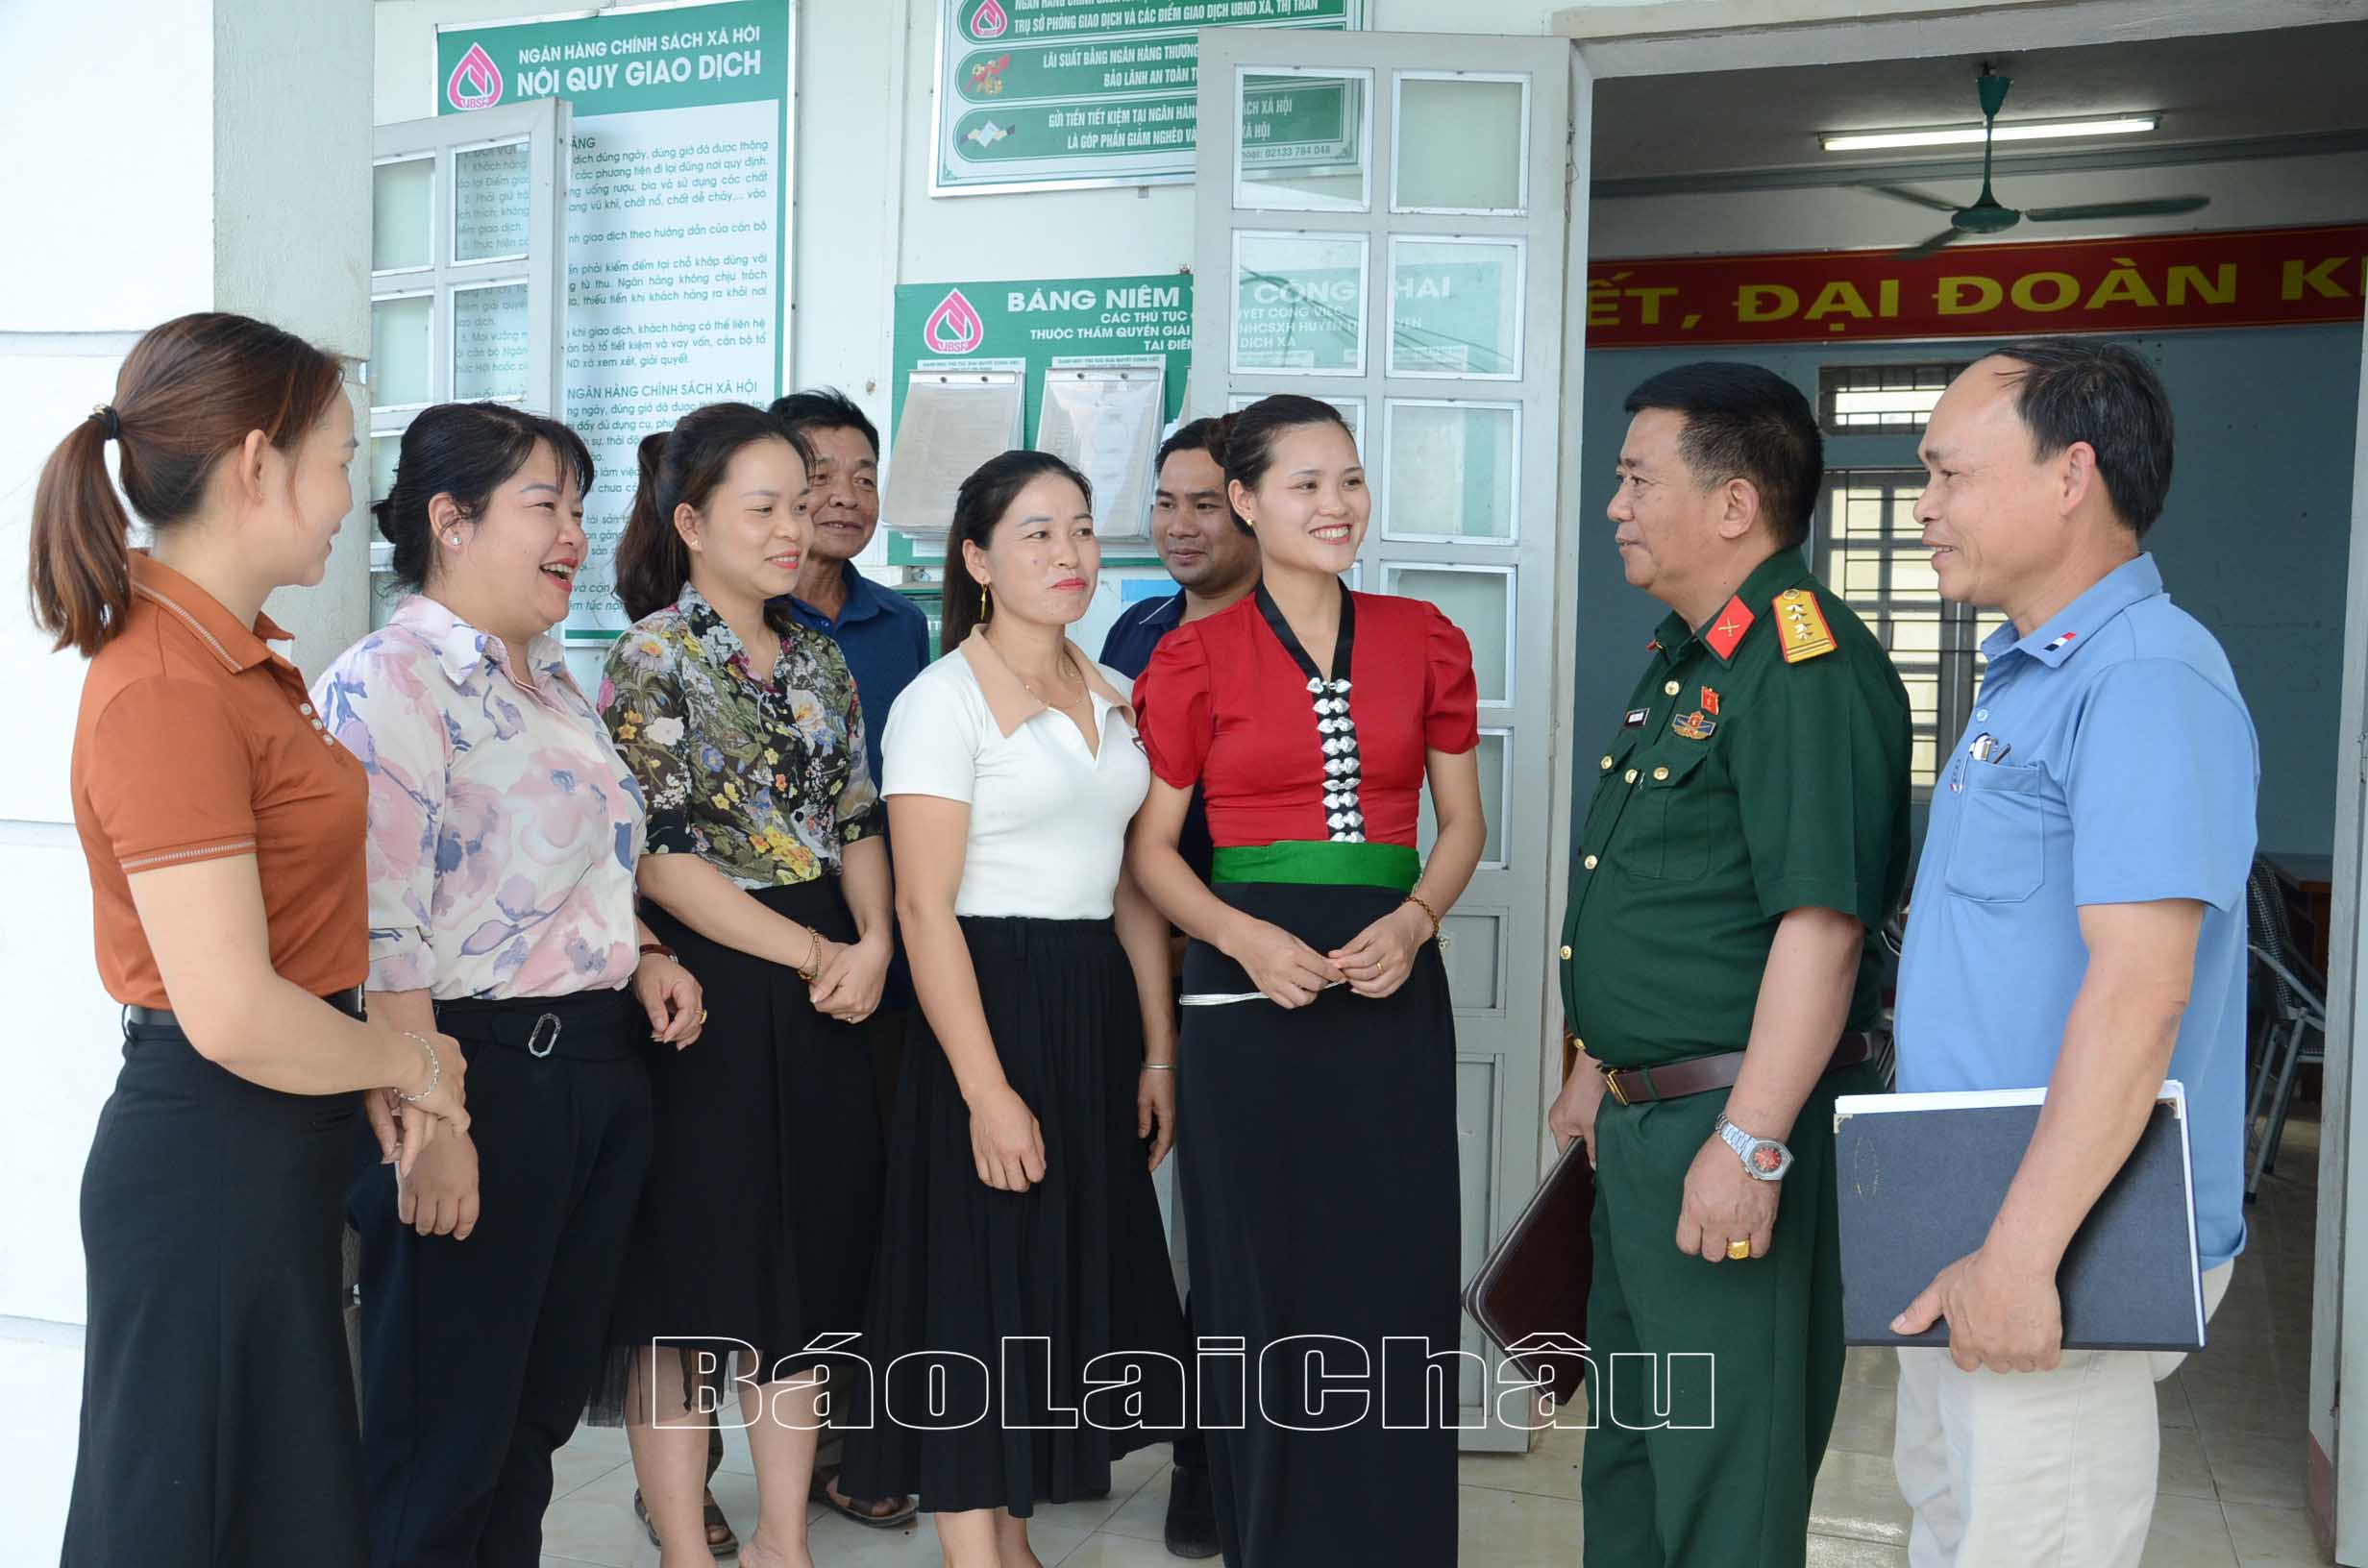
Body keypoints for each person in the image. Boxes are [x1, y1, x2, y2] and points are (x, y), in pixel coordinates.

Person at [37, 312, 469, 1567]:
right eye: (341, 459)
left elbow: (290, 960)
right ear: (258, 462)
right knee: (185, 1526)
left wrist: (363, 1065)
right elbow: (227, 1010)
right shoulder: (169, 683)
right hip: (210, 1161)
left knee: (269, 1519)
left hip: (264, 1148)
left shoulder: (231, 663)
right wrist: (416, 1067)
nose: (353, 499)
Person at [312, 403, 705, 1566]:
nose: (574, 535)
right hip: (475, 1077)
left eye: (578, 509)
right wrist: (436, 1119)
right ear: (451, 519)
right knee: (444, 1436)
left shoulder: (548, 681)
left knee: (529, 1426)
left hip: (592, 1072)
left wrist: (645, 955)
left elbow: (567, 869)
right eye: (546, 505)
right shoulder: (389, 683)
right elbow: (386, 925)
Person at [1886, 339, 2256, 1567]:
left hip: (2061, 1238)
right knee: (1954, 1526)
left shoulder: (2147, 677)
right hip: (1970, 1199)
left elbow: (2142, 990)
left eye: (1948, 474)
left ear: (2069, 476)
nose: (1925, 505)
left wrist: (2020, 1253)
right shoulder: (2032, 676)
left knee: (2025, 1542)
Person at [1543, 361, 1911, 1568]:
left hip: (1730, 1132)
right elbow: (1676, 900)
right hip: (1650, 1127)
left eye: (1636, 479)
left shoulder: (1803, 669)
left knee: (1726, 1483)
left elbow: (1822, 926)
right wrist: (1598, 1064)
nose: (1616, 505)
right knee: (1642, 1451)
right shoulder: (1692, 656)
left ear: (1736, 504)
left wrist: (1750, 1144)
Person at [1127, 395, 1486, 1567]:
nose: (1335, 507)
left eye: (1349, 481)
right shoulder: (1187, 657)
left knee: (1394, 1269)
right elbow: (1149, 857)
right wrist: (1240, 937)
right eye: (1304, 485)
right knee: (1259, 1280)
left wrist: (1419, 916)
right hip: (1250, 989)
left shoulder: (1426, 635)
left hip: (1389, 984)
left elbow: (1461, 824)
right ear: (1245, 503)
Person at [838, 450, 1187, 1568]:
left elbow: (1134, 884)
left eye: (1081, 530)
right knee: (975, 1282)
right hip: (980, 1004)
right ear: (978, 559)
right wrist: (986, 1091)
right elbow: (924, 910)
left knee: (1050, 1278)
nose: (1069, 554)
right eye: (1036, 533)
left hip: (1090, 1001)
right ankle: (970, 1545)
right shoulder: (942, 702)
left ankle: (1012, 1532)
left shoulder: (1115, 694)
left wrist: (1156, 1050)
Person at [596, 403, 896, 1568]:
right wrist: (819, 954)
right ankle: (683, 1543)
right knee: (689, 1284)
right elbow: (657, 857)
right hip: (709, 987)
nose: (794, 525)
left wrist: (869, 942)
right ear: (692, 522)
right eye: (762, 506)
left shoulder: (817, 650)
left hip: (830, 980)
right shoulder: (652, 656)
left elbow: (856, 813)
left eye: (801, 500)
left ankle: (783, 1541)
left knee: (804, 1277)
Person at [1093, 415, 1260, 1561]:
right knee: (1114, 1214)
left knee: (1222, 1227)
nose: (1180, 524)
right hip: (1116, 960)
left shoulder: (1285, 637)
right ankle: (1084, 1429)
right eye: (1165, 500)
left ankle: (1207, 1456)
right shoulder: (1134, 627)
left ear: (1250, 509)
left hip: (1239, 970)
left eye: (1204, 501)